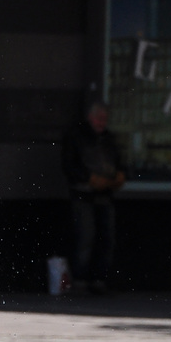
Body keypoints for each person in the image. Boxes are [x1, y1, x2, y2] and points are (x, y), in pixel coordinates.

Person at [60, 101, 125, 294]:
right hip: (83, 193)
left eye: (105, 119)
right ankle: (80, 279)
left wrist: (118, 176)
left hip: (105, 194)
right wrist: (88, 179)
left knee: (106, 239)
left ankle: (99, 279)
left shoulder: (108, 139)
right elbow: (69, 166)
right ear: (91, 117)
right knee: (85, 237)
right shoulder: (77, 136)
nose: (102, 123)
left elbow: (119, 162)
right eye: (99, 119)